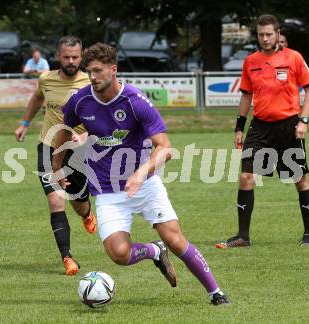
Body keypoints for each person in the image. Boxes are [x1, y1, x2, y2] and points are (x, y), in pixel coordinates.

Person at [53, 43, 229, 305]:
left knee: (175, 240)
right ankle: (154, 251)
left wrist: (141, 173)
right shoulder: (80, 101)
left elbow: (165, 147)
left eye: (98, 71)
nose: (93, 77)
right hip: (107, 190)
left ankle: (216, 293)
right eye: (89, 71)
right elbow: (64, 130)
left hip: (145, 185)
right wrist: (58, 167)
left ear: (114, 69)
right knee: (119, 254)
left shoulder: (135, 102)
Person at [216, 14, 309, 249]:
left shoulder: (293, 58)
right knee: (246, 176)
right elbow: (246, 95)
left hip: (289, 126)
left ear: (278, 33)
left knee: (299, 179)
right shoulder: (251, 61)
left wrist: (303, 121)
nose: (265, 38)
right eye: (261, 35)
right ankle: (243, 236)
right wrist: (239, 127)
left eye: (269, 34)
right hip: (260, 127)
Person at [14, 36, 97, 276]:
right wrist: (25, 123)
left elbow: (104, 115)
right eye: (66, 57)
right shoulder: (46, 79)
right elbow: (37, 98)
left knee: (78, 203)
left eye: (75, 57)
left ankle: (87, 213)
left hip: (79, 150)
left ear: (81, 57)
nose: (71, 61)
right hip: (48, 146)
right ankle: (67, 258)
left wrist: (86, 135)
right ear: (58, 57)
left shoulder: (90, 82)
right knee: (55, 200)